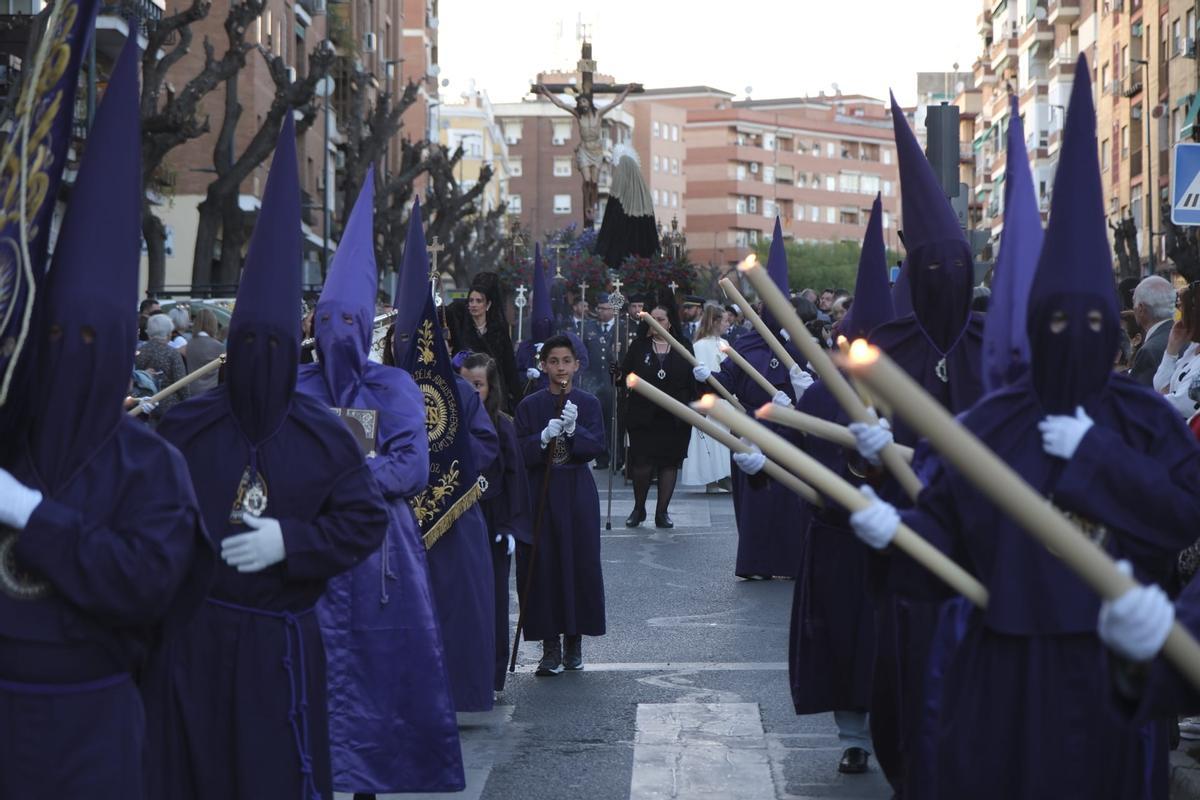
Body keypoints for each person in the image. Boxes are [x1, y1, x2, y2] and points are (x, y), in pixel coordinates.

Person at [848, 58, 1199, 799]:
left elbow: (1182, 516)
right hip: (1002, 665)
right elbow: (945, 533)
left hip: (1115, 665)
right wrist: (893, 533)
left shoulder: (1143, 423)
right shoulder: (991, 424)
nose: (1076, 333)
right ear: (1038, 326)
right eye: (1059, 320)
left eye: (1093, 320)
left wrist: (1097, 457)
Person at [147, 116, 390, 800]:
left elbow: (363, 521)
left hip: (281, 645)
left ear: (295, 350)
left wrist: (294, 540)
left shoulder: (323, 435)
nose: (261, 362)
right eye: (248, 346)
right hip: (191, 643)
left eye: (275, 348)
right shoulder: (185, 427)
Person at [0, 42, 210, 799]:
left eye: (93, 343)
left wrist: (33, 516)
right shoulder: (9, 436)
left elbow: (145, 584)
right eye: (58, 340)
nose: (72, 358)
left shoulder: (152, 469)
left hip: (94, 725)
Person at [295, 173, 463, 796]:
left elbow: (411, 468)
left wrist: (335, 478)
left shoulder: (391, 388)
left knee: (378, 675)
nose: (339, 329)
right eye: (328, 317)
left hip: (377, 557)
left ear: (367, 323)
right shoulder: (295, 385)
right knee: (311, 671)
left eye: (350, 318)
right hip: (307, 552)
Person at [789, 196, 895, 777]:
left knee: (893, 637)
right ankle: (853, 734)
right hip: (836, 537)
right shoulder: (817, 398)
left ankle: (896, 731)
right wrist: (764, 462)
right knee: (843, 636)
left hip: (900, 536)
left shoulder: (916, 395)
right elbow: (800, 467)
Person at [391, 199, 499, 715]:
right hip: (394, 518)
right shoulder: (379, 390)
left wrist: (447, 471)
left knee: (458, 608)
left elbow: (484, 443)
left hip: (454, 517)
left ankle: (459, 696)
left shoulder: (457, 390)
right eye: (402, 339)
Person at [702, 219, 814, 579]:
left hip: (790, 431)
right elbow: (728, 381)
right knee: (755, 502)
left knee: (787, 501)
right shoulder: (745, 343)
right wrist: (706, 378)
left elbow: (824, 396)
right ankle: (755, 563)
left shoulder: (803, 346)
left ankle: (789, 563)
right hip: (751, 427)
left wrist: (801, 393)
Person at [514, 335, 607, 674]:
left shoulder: (588, 403)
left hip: (576, 492)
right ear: (543, 365)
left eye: (566, 361)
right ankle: (548, 646)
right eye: (553, 361)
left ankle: (574, 642)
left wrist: (573, 431)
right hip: (540, 492)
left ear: (576, 365)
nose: (560, 368)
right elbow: (519, 450)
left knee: (577, 564)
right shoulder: (529, 406)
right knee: (543, 567)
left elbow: (596, 445)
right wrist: (540, 438)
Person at [460, 352, 532, 693]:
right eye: (465, 384)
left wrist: (509, 525)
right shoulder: (449, 422)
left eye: (478, 385)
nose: (472, 392)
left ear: (491, 387)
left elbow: (514, 477)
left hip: (492, 516)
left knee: (494, 597)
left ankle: (492, 673)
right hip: (458, 518)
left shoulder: (502, 424)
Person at [621, 297, 701, 529]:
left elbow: (691, 379)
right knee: (642, 464)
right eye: (652, 319)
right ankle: (639, 508)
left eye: (660, 319)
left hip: (673, 417)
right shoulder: (639, 346)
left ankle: (662, 512)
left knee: (669, 464)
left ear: (669, 323)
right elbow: (625, 375)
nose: (656, 323)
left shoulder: (683, 345)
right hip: (643, 416)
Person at [515, 246, 589, 398]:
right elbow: (517, 371)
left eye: (545, 322)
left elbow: (582, 361)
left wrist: (566, 378)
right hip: (534, 397)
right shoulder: (526, 346)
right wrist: (527, 377)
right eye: (538, 323)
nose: (542, 325)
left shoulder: (567, 339)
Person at [450, 273, 519, 413]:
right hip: (466, 388)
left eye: (479, 301)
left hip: (492, 390)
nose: (474, 305)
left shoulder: (498, 329)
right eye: (471, 301)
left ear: (487, 304)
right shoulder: (460, 324)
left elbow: (508, 365)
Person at [681, 304, 732, 491]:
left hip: (726, 400)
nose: (728, 324)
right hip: (708, 400)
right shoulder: (699, 346)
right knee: (711, 439)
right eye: (725, 320)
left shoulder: (725, 345)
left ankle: (723, 475)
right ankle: (712, 478)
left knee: (723, 440)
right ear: (716, 321)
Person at [594, 143, 660, 267]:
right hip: (646, 271)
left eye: (618, 171)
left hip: (619, 268)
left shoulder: (617, 199)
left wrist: (598, 256)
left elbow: (607, 232)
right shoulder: (645, 200)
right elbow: (653, 240)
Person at [583, 292, 621, 470]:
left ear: (613, 310)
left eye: (606, 309)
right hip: (596, 383)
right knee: (599, 421)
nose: (602, 312)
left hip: (614, 382)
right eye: (600, 309)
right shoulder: (589, 328)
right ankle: (602, 457)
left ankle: (618, 457)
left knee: (615, 422)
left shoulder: (621, 328)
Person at [1153, 281, 1200, 421]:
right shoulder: (1193, 348)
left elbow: (1182, 405)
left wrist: (1164, 394)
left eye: (1182, 310)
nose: (1179, 318)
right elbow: (1160, 385)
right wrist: (1171, 349)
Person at [136, 312, 189, 418]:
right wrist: (187, 403)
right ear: (168, 333)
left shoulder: (140, 352)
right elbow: (181, 383)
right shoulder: (172, 353)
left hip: (144, 404)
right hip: (169, 406)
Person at [1129, 275, 1177, 386]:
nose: (1133, 309)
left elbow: (1140, 399)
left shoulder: (1148, 351)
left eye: (1133, 303)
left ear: (1141, 308)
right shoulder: (1189, 338)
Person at [186, 308, 225, 394]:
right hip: (211, 392)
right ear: (213, 324)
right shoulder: (219, 346)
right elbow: (224, 366)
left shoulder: (189, 344)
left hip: (192, 391)